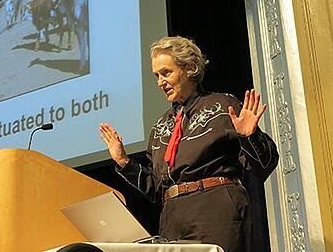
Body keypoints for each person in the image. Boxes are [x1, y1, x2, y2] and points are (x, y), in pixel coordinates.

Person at [99, 36, 278, 252]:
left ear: (190, 68)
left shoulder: (222, 106)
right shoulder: (160, 127)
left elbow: (264, 164)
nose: (159, 82)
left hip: (215, 209)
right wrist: (124, 161)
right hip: (172, 217)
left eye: (166, 73)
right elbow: (156, 189)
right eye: (156, 75)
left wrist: (250, 136)